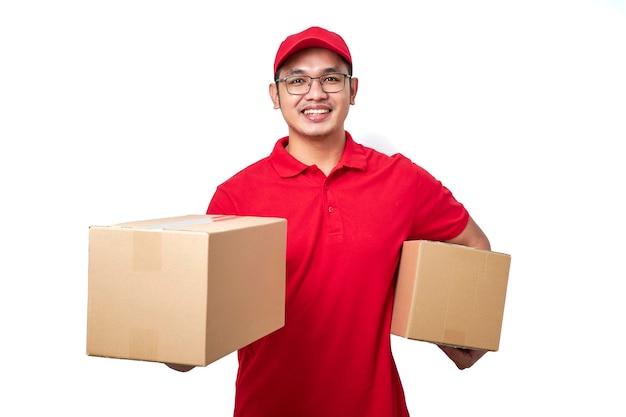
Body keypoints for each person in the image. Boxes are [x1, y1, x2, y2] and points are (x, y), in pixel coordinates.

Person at [169, 26, 491, 417]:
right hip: (269, 407)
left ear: (353, 90)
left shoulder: (401, 181)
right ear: (276, 95)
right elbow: (198, 321)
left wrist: (451, 328)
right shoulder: (236, 196)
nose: (315, 93)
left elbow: (474, 245)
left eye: (331, 79)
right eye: (297, 80)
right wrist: (174, 343)